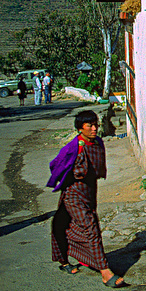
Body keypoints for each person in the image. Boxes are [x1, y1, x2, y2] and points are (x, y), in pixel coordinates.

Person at [46, 110, 126, 288]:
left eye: (96, 124)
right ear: (80, 128)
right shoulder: (74, 147)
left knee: (66, 225)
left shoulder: (97, 142)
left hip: (90, 192)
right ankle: (105, 272)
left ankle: (71, 259)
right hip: (73, 194)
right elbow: (56, 165)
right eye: (89, 125)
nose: (94, 128)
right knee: (91, 228)